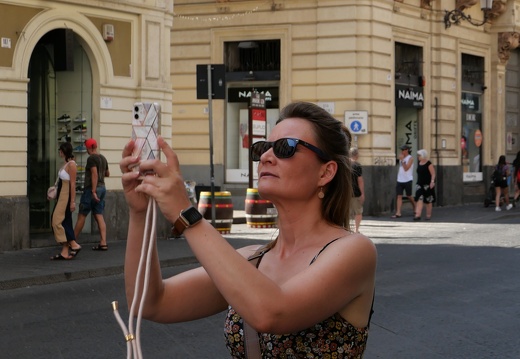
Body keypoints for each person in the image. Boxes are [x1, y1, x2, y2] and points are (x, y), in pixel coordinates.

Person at [120, 101, 377, 358]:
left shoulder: (354, 251)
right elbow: (151, 302)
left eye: (284, 148)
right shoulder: (253, 259)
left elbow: (273, 313)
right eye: (263, 148)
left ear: (326, 173)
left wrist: (186, 214)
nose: (265, 156)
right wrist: (140, 212)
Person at [74, 138, 110, 250]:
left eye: (86, 147)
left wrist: (93, 191)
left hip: (92, 189)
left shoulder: (91, 159)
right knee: (99, 215)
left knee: (82, 215)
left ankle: (72, 241)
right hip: (103, 187)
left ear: (90, 147)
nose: (86, 149)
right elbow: (107, 173)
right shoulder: (103, 158)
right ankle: (103, 242)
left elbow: (94, 174)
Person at [50, 142, 82, 260]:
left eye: (60, 150)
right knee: (65, 221)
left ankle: (73, 244)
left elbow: (73, 184)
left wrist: (72, 202)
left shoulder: (72, 165)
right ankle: (65, 250)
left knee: (56, 220)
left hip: (66, 196)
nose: (59, 152)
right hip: (61, 195)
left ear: (64, 151)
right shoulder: (66, 164)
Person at [392, 144, 415, 218]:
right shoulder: (401, 158)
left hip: (408, 179)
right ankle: (398, 212)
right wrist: (401, 159)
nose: (402, 151)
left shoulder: (410, 158)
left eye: (403, 150)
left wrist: (402, 160)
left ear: (407, 150)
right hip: (400, 179)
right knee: (399, 196)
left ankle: (415, 206)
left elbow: (406, 168)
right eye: (401, 150)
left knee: (409, 196)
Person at [413, 149, 436, 221]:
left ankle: (428, 215)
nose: (418, 157)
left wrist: (432, 182)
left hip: (427, 185)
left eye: (419, 155)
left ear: (423, 156)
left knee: (428, 200)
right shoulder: (419, 163)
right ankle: (417, 215)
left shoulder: (429, 164)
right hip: (419, 184)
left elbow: (433, 173)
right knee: (419, 198)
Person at [350, 147, 365, 233]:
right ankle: (356, 229)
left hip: (344, 193)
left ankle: (345, 229)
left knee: (344, 212)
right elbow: (360, 180)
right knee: (358, 212)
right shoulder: (357, 165)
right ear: (356, 155)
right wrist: (362, 193)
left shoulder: (344, 164)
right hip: (355, 192)